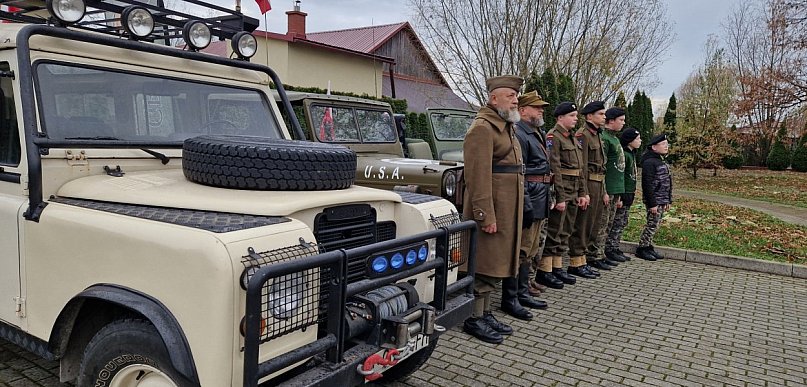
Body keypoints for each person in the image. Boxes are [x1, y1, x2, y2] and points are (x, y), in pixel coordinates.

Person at [461, 75, 525, 344]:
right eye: (510, 95)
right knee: (484, 265)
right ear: (493, 98)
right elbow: (477, 176)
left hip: (507, 209)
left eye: (516, 95)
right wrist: (485, 215)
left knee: (496, 265)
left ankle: (485, 312)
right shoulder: (483, 128)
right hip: (492, 211)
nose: (516, 99)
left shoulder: (504, 125)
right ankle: (473, 317)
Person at [502, 91, 552, 321]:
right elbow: (519, 172)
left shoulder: (535, 132)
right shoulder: (520, 133)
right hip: (530, 194)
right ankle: (511, 298)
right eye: (537, 107)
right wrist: (526, 202)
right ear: (523, 111)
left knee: (530, 250)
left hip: (540, 194)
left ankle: (522, 293)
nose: (541, 110)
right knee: (521, 250)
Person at [537, 102, 587, 289]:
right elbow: (555, 168)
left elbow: (579, 168)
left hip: (574, 189)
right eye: (572, 115)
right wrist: (560, 196)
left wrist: (582, 192)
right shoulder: (553, 137)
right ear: (560, 117)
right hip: (563, 189)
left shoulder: (572, 138)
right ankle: (545, 270)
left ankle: (557, 267)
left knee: (566, 229)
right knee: (555, 229)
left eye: (576, 115)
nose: (576, 119)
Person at [568, 101, 608, 278]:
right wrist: (582, 192)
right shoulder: (583, 135)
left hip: (598, 184)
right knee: (583, 224)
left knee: (593, 223)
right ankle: (576, 262)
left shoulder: (597, 135)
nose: (604, 117)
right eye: (601, 114)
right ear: (589, 116)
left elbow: (602, 166)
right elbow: (582, 166)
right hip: (589, 184)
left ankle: (584, 260)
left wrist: (604, 191)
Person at [600, 107, 629, 264]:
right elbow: (601, 166)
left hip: (616, 188)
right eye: (621, 120)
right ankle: (597, 254)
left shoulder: (615, 139)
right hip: (608, 188)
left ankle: (604, 252)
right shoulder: (604, 138)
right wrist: (604, 190)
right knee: (602, 224)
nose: (623, 123)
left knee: (610, 223)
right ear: (610, 121)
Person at [606, 128, 641, 260]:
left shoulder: (632, 154)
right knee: (617, 222)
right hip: (623, 192)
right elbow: (621, 175)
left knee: (622, 222)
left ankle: (615, 246)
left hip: (629, 193)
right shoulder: (625, 155)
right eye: (637, 139)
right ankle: (610, 247)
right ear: (629, 141)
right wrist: (620, 195)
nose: (640, 141)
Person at [636, 134, 672, 261]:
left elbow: (667, 182)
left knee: (656, 224)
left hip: (662, 199)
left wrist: (668, 200)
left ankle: (648, 246)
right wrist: (652, 204)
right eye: (663, 144)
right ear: (654, 147)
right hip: (654, 200)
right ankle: (642, 248)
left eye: (667, 144)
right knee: (652, 224)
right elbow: (647, 184)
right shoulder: (649, 162)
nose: (666, 146)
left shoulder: (661, 161)